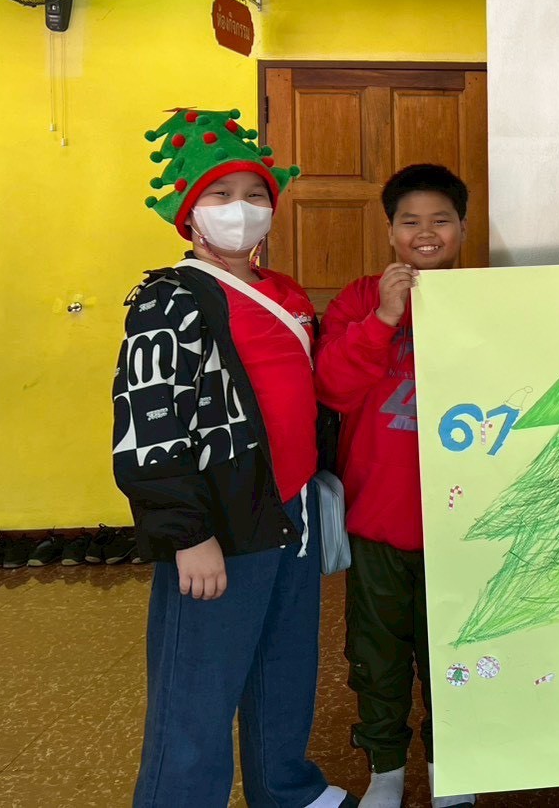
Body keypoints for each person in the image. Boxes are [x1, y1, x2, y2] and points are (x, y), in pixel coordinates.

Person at [113, 108, 355, 808]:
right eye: (221, 195)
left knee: (285, 663)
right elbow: (149, 425)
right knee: (198, 680)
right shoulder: (169, 300)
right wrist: (187, 534)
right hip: (221, 518)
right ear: (190, 215)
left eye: (254, 195)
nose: (240, 209)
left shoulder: (286, 294)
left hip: (293, 506)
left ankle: (286, 789)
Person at [315, 164, 476, 808]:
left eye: (441, 220)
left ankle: (448, 764)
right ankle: (385, 766)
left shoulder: (486, 298)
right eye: (410, 221)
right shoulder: (359, 300)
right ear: (389, 231)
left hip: (462, 523)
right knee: (376, 654)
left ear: (463, 227)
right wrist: (384, 316)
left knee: (454, 650)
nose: (426, 232)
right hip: (378, 518)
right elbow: (331, 387)